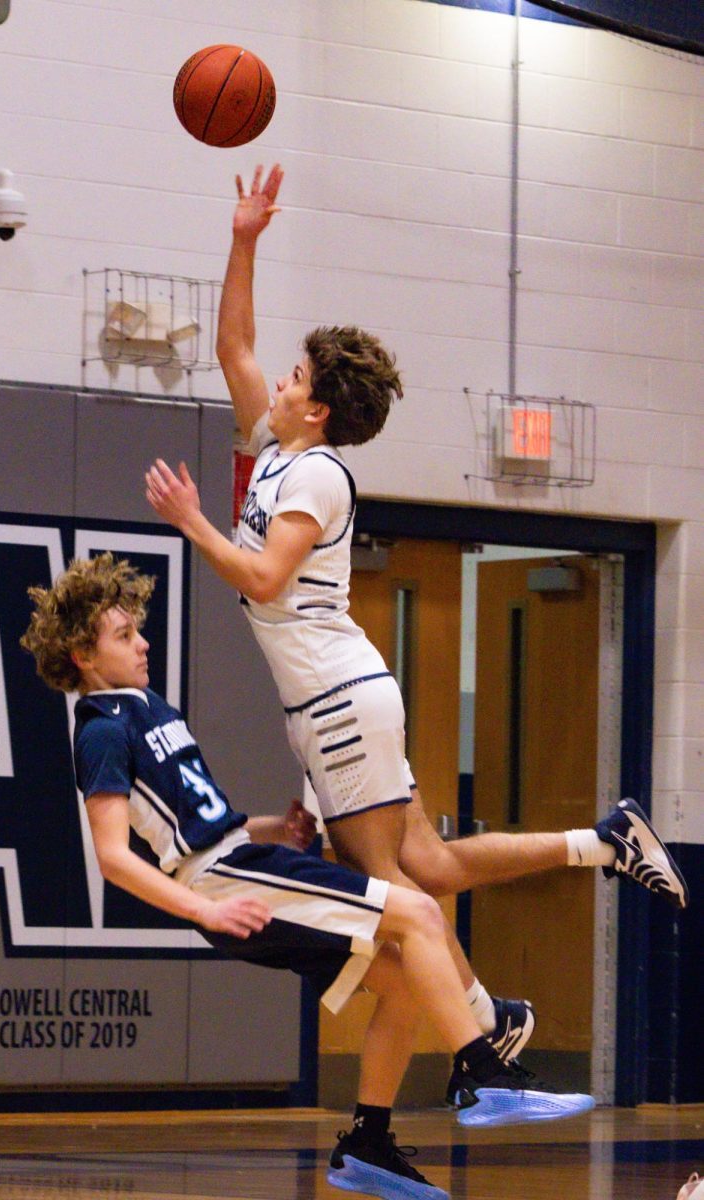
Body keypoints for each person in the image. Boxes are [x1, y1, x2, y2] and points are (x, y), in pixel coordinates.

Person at [144, 163, 688, 1073]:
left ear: (315, 408)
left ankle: (484, 1023)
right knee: (428, 867)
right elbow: (233, 346)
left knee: (389, 889)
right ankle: (602, 842)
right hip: (348, 694)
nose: (272, 380)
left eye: (293, 375)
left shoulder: (316, 474)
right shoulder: (280, 447)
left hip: (335, 702)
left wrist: (192, 519)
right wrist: (243, 239)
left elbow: (269, 579)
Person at [21, 553, 595, 1200]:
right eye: (124, 636)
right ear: (82, 656)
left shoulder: (146, 705)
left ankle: (368, 1145)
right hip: (225, 881)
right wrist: (202, 910)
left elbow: (198, 819)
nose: (143, 642)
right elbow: (113, 856)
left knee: (403, 981)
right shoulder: (100, 730)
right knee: (421, 913)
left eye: (137, 629)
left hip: (242, 858)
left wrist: (275, 828)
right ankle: (483, 1070)